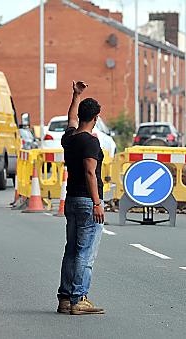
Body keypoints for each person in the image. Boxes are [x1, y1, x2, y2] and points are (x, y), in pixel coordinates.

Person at [57, 80, 105, 315]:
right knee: (85, 252)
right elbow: (90, 172)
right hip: (87, 201)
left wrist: (75, 95)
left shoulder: (70, 139)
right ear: (96, 117)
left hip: (72, 200)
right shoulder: (90, 142)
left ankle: (65, 298)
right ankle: (79, 298)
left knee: (71, 250)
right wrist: (97, 202)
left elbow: (71, 120)